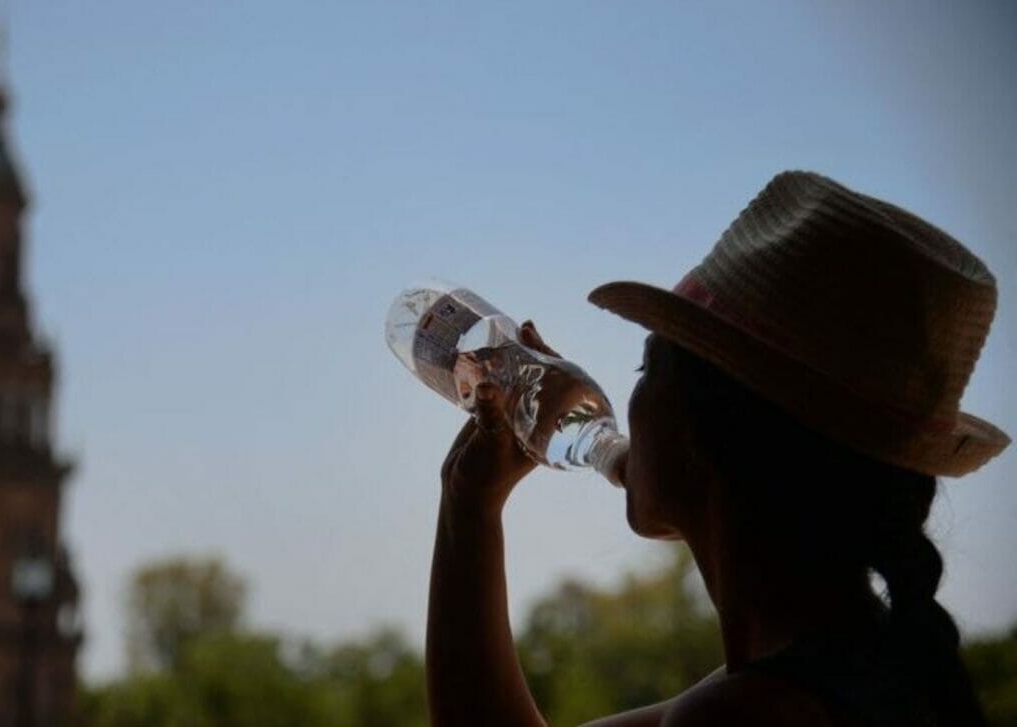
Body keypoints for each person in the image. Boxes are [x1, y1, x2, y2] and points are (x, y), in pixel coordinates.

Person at [426, 171, 1009, 726]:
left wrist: (467, 504)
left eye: (645, 366)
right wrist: (469, 501)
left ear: (702, 433)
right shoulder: (858, 668)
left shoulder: (749, 717)